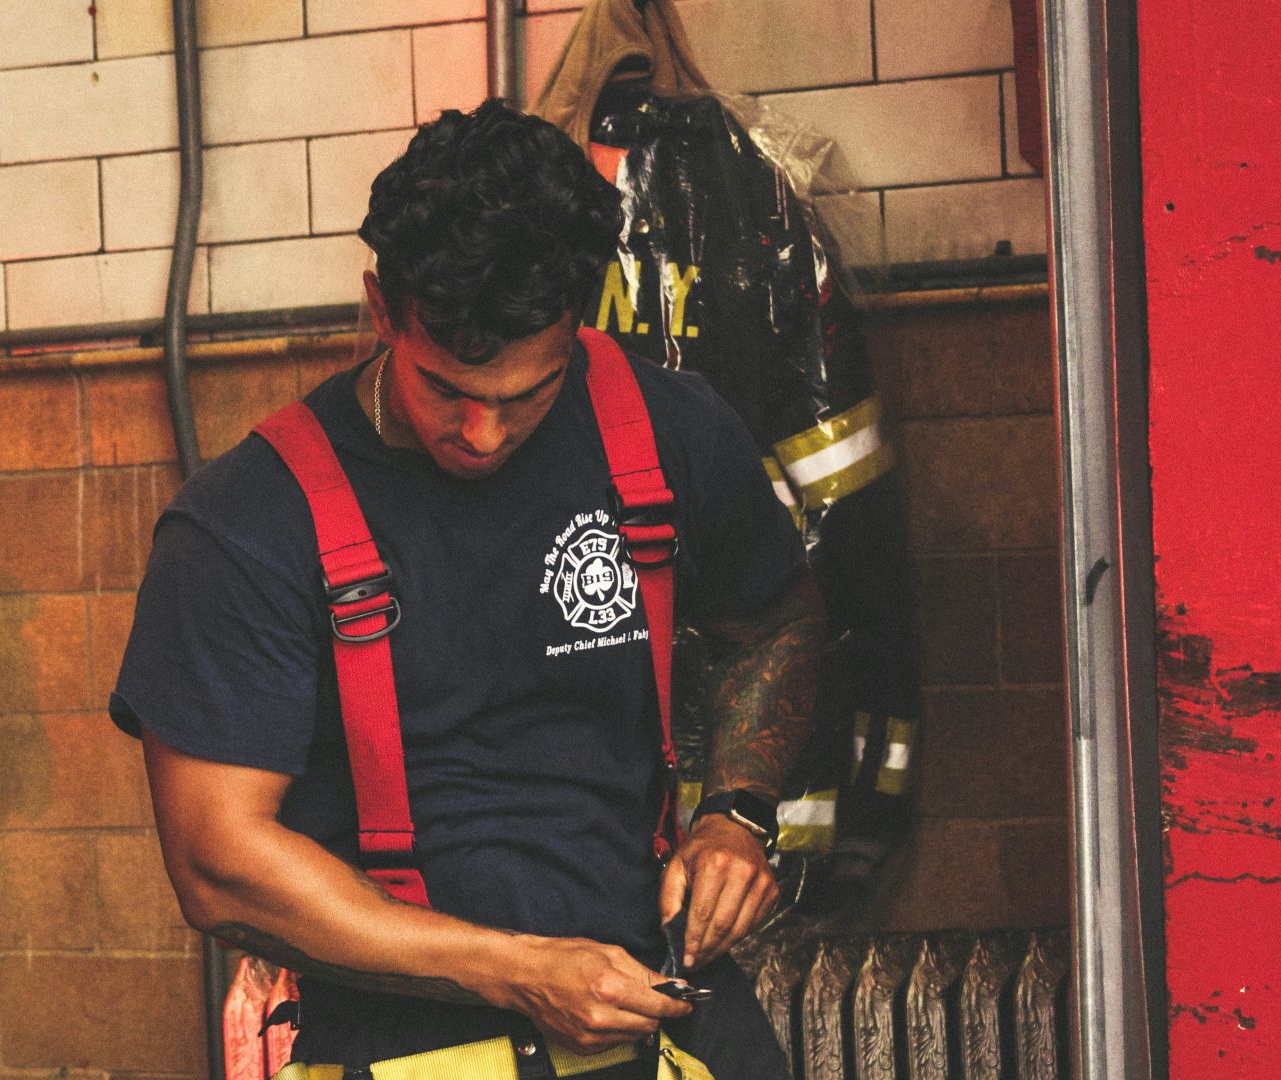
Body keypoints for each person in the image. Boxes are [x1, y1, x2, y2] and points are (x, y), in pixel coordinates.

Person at [110, 102, 824, 1080]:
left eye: (527, 395)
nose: (483, 435)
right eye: (445, 388)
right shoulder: (246, 525)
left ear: (578, 319)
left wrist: (735, 815)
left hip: (666, 1011)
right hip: (406, 1038)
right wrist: (516, 972)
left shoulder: (667, 432)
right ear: (381, 308)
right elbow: (218, 865)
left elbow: (777, 619)